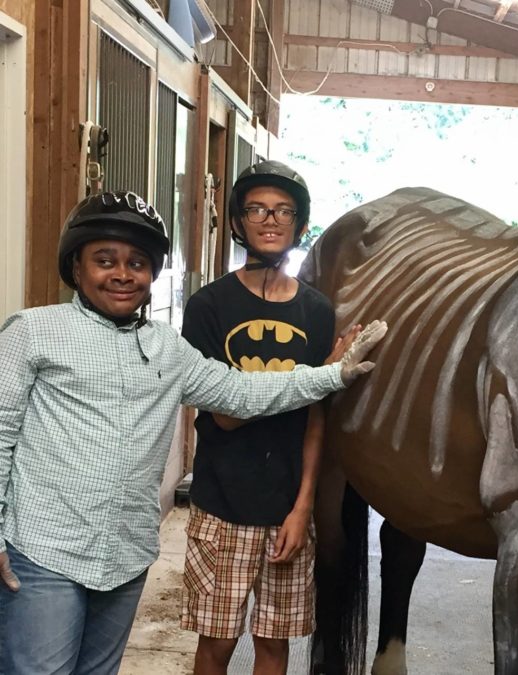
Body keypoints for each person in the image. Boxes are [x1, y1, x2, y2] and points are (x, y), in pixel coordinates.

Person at [0, 191, 385, 675]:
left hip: (125, 555)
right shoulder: (33, 332)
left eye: (137, 263)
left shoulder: (166, 348)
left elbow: (241, 392)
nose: (123, 274)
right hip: (45, 552)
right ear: (76, 267)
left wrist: (333, 374)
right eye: (105, 260)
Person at [179, 161, 332, 675]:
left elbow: (316, 419)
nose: (271, 219)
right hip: (221, 504)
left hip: (287, 508)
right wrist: (315, 378)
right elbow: (224, 415)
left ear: (299, 224)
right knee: (217, 644)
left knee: (274, 644)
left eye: (284, 211)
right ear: (238, 221)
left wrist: (303, 507)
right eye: (257, 209)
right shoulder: (208, 306)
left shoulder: (316, 311)